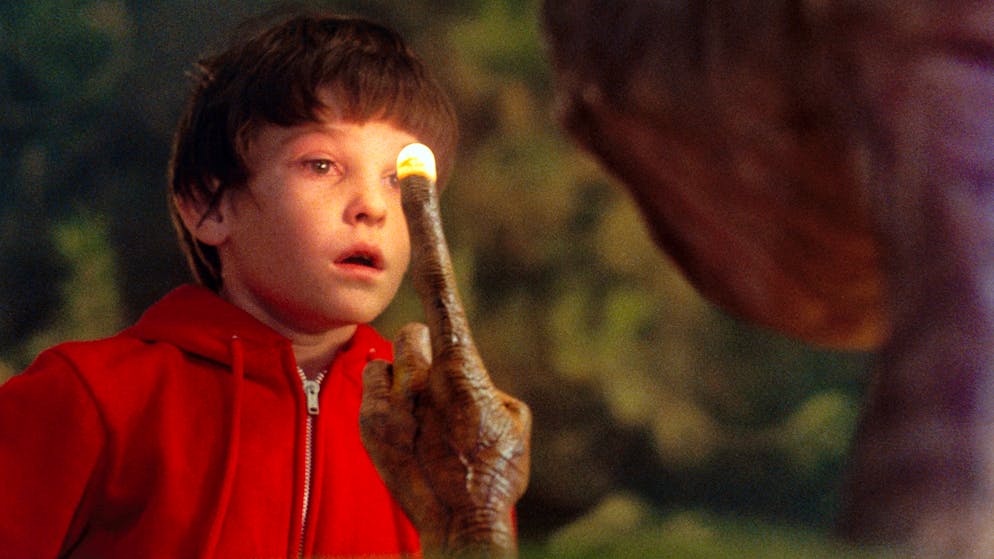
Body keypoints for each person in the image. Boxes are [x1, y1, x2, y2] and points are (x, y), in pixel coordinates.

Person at [0, 10, 459, 558]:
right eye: (321, 165)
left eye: (399, 179)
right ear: (208, 205)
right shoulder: (84, 399)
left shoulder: (437, 429)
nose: (372, 206)